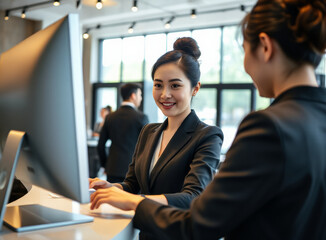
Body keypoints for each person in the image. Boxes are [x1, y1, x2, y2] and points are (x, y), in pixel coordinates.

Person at [90, 0, 326, 239]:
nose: (245, 66)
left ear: (265, 46)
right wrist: (116, 191)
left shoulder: (267, 127)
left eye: (245, 51)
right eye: (159, 85)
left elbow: (200, 222)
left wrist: (133, 202)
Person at [90, 37, 224, 239]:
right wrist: (112, 187)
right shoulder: (149, 131)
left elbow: (193, 197)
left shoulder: (207, 136)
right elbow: (132, 185)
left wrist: (134, 201)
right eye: (158, 85)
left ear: (195, 88)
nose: (165, 95)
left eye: (175, 86)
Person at [97, 83, 149, 183]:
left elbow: (101, 145)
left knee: (112, 198)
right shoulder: (141, 117)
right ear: (133, 96)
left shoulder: (110, 117)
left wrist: (105, 165)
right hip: (134, 171)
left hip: (112, 169)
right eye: (140, 95)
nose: (141, 98)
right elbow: (147, 147)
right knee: (130, 198)